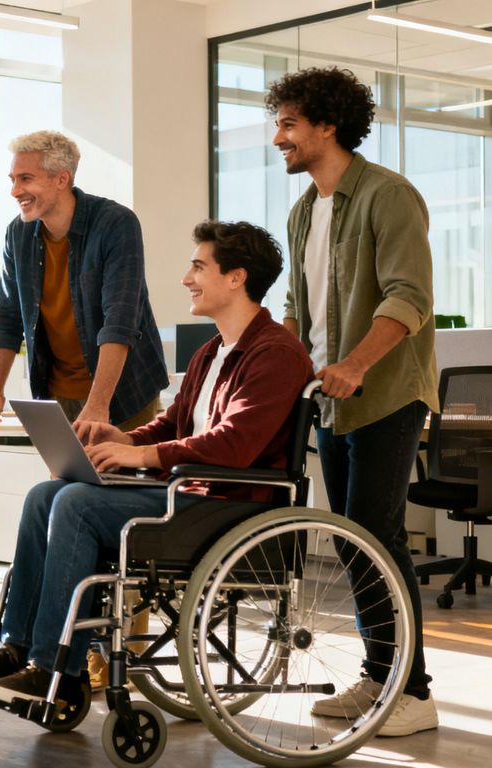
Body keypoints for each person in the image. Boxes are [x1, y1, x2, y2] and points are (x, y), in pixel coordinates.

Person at [0, 220, 312, 710]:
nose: (186, 278)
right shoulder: (211, 351)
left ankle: (55, 668)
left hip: (229, 506)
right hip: (189, 495)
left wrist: (143, 455)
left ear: (236, 278)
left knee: (75, 504)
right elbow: (175, 425)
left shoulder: (277, 353)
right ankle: (19, 649)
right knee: (45, 495)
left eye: (198, 266)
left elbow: (236, 444)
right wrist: (123, 440)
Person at [267, 66, 440, 736]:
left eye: (288, 124)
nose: (278, 138)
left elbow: (410, 297)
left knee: (376, 534)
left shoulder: (388, 196)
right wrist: (280, 369)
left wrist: (356, 363)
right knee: (350, 541)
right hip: (331, 397)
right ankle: (380, 674)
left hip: (387, 393)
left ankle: (414, 691)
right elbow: (297, 311)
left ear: (326, 125)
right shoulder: (305, 208)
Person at [0, 130, 169, 684]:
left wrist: (101, 404)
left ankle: (122, 657)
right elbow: (7, 315)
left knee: (122, 524)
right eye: (14, 178)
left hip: (122, 396)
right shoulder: (21, 235)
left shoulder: (114, 224)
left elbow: (121, 316)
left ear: (62, 179)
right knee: (64, 511)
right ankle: (52, 642)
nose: (15, 189)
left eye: (25, 178)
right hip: (59, 399)